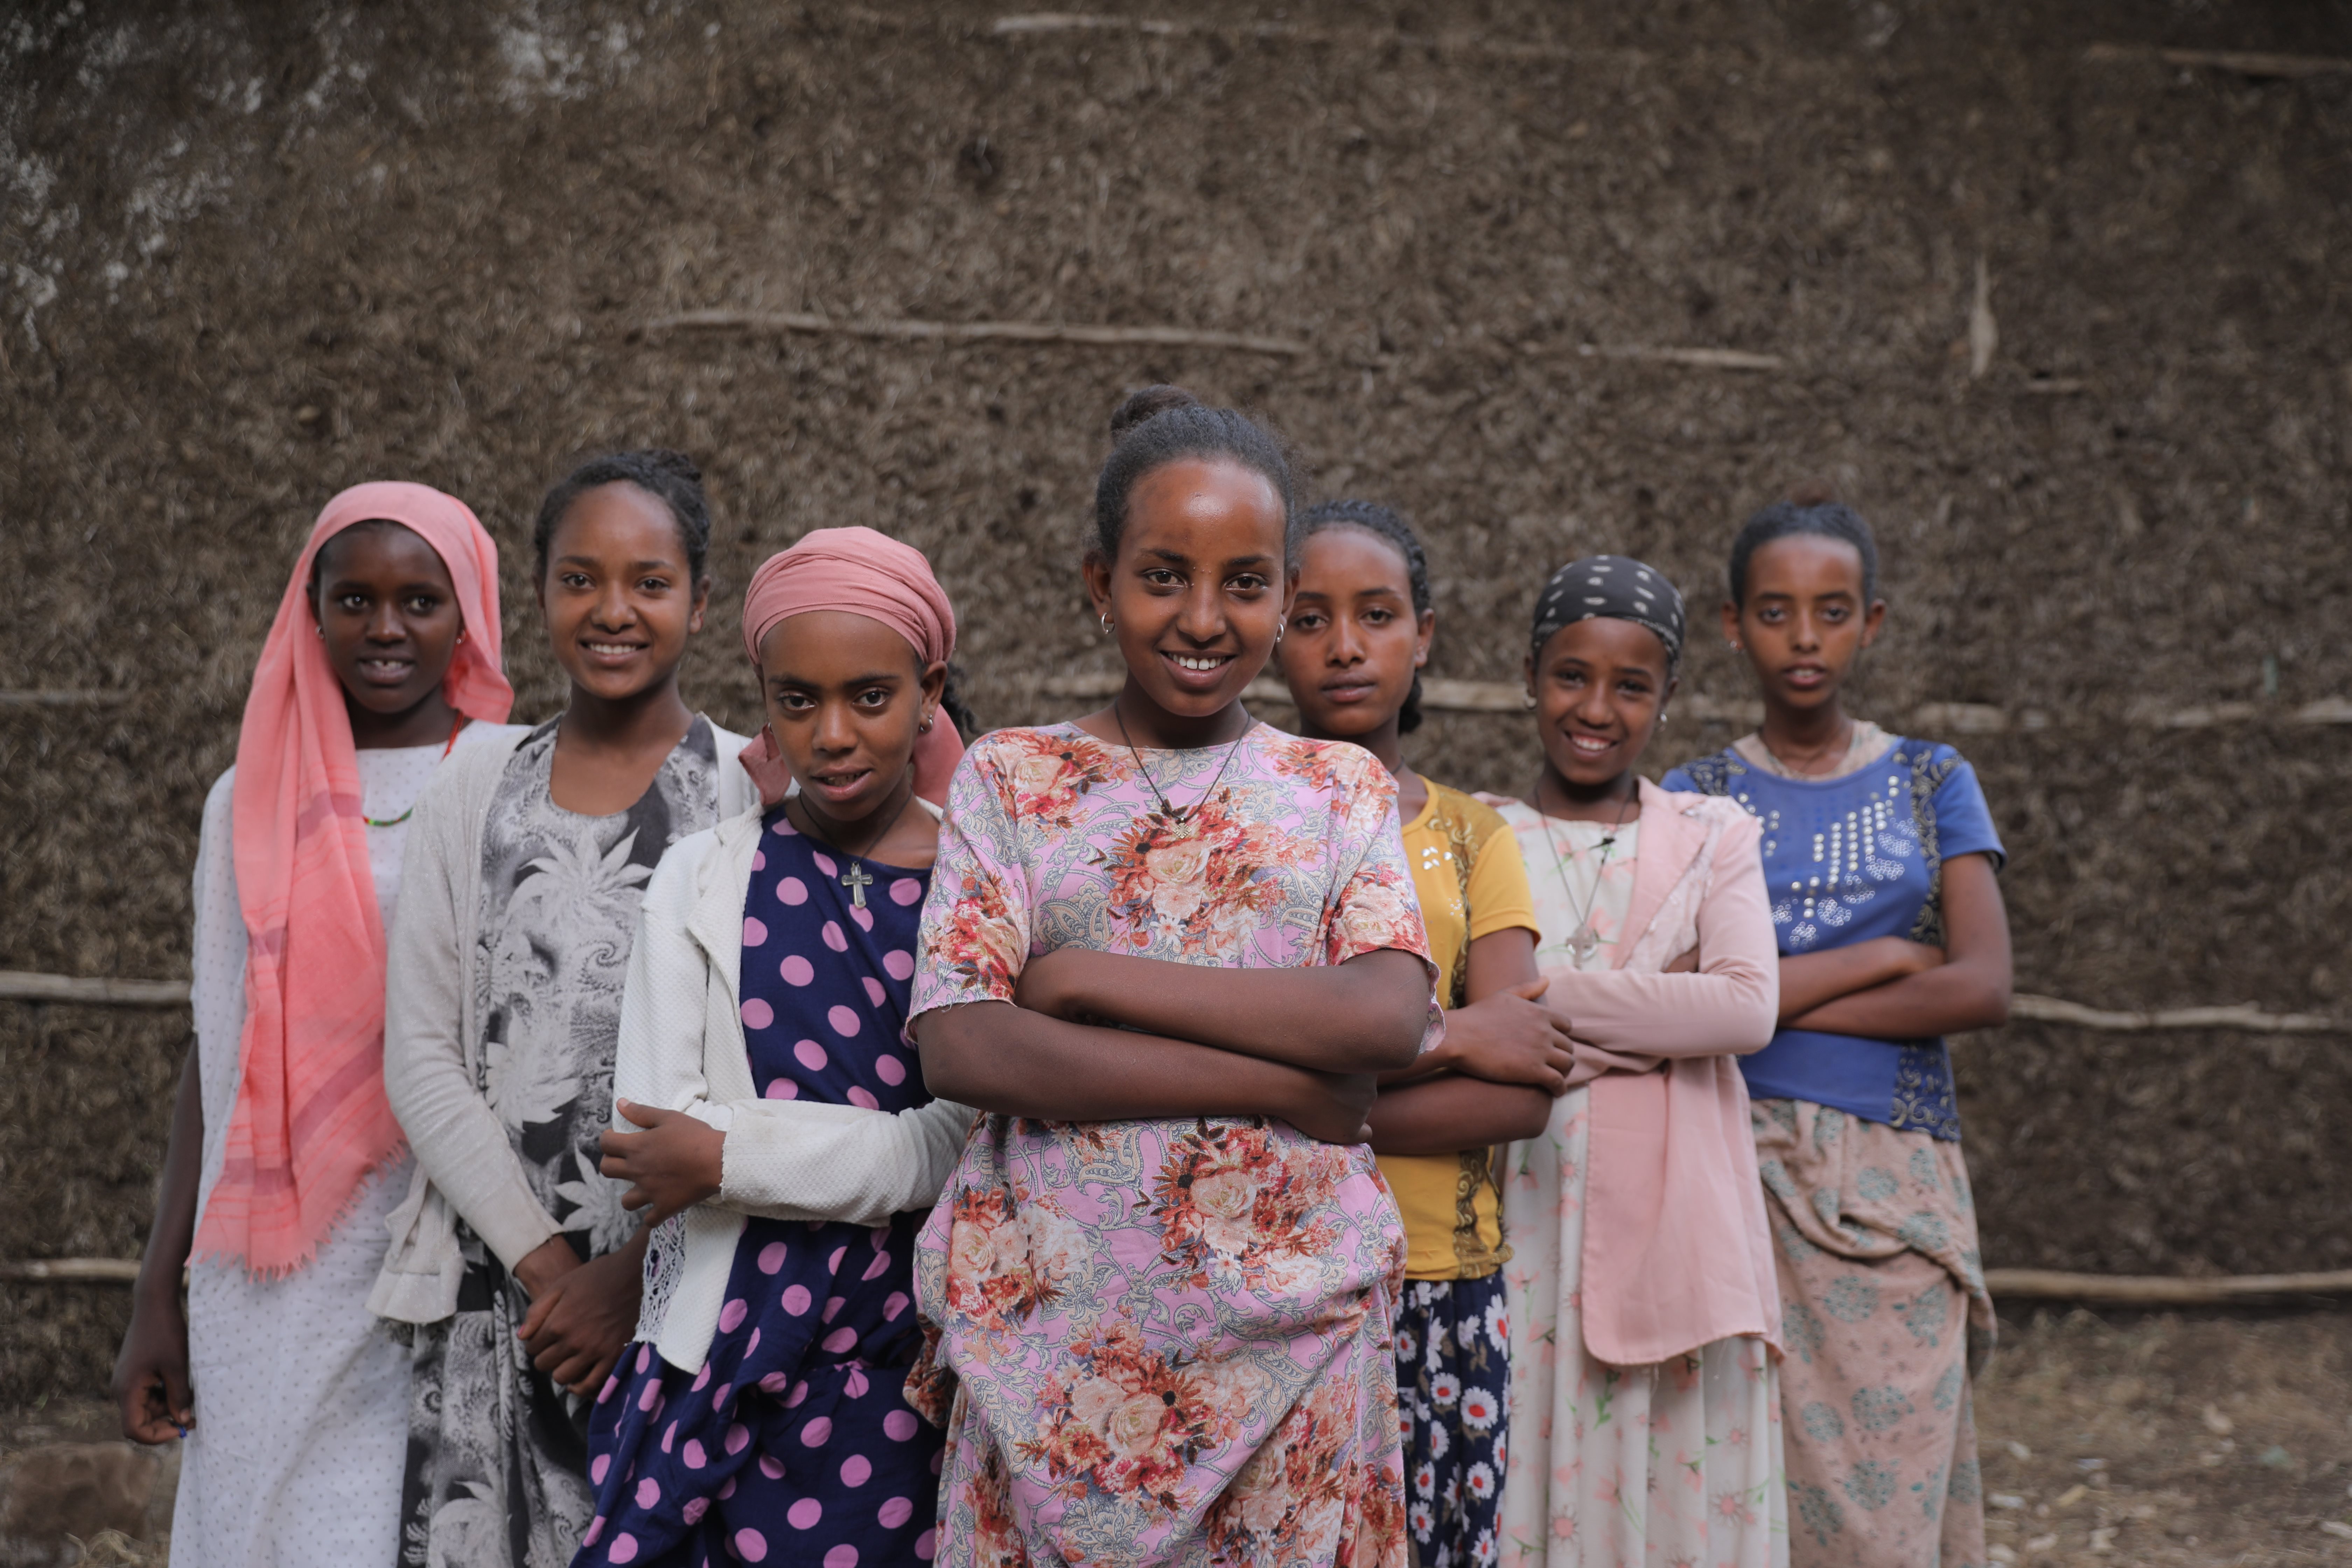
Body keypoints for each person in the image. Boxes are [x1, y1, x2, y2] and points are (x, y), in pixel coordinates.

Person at [909, 387, 1441, 1567]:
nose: (1203, 618)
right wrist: (1285, 1087)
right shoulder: (1013, 778)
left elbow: (1384, 1013)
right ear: (1099, 584)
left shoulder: (1337, 787)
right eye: (1163, 577)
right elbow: (965, 1043)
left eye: (1245, 584)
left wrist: (1087, 976)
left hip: (1297, 1344)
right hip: (1054, 1351)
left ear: (1286, 594)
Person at [111, 483, 519, 1565]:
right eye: (354, 600)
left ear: (469, 615)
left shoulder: (514, 781)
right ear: (312, 611)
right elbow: (220, 1042)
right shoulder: (245, 798)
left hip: (455, 1227)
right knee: (262, 1519)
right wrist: (159, 1289)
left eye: (421, 601)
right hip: (276, 1257)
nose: (385, 628)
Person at [369, 450, 761, 1568]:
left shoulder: (749, 788)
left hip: (681, 1299)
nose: (613, 610)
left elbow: (759, 1075)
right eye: (580, 579)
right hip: (502, 1298)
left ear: (700, 600)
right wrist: (548, 1272)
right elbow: (423, 1057)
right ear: (538, 591)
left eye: (650, 582)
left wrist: (628, 1282)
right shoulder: (474, 783)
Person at [572, 528, 984, 1567]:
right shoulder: (702, 877)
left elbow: (968, 1138)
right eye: (798, 701)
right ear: (763, 698)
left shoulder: (978, 883)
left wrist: (733, 1156)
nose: (833, 734)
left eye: (870, 698)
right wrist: (874, 1153)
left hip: (922, 1349)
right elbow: (654, 1134)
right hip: (729, 1341)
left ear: (929, 693)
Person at [1662, 495, 2010, 1568]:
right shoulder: (1692, 798)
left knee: (1890, 1489)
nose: (1804, 638)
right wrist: (1885, 957)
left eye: (1832, 611)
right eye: (1775, 612)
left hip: (1896, 1179)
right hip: (1737, 1164)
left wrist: (1760, 1000)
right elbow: (1675, 995)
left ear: (1873, 623)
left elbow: (1983, 985)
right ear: (1733, 625)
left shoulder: (1933, 780)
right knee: (1749, 1485)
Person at [1274, 499, 1569, 1568]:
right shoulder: (1239, 827)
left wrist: (1295, 1106)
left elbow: (1519, 1087)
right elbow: (1232, 1064)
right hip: (1267, 1272)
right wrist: (1452, 1037)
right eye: (1311, 617)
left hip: (1441, 1279)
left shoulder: (1473, 837)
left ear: (1425, 634)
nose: (1345, 646)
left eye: (1377, 614)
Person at [1489, 556, 1787, 1568]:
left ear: (1668, 697)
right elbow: (1458, 1020)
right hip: (1525, 1213)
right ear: (1531, 676)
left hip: (1678, 1229)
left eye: (1631, 686)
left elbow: (1745, 1009)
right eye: (1571, 676)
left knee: (1667, 1487)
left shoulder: (1713, 836)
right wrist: (1663, 1010)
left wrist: (1541, 1003)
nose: (1596, 709)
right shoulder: (1482, 834)